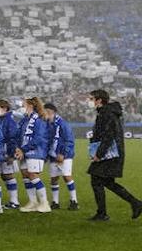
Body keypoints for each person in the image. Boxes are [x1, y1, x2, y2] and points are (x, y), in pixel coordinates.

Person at [86, 89, 142, 222]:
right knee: (105, 181)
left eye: (91, 99)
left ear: (99, 100)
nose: (89, 102)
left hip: (110, 154)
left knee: (97, 179)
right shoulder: (108, 112)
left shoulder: (106, 114)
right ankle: (135, 203)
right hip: (112, 153)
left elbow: (108, 136)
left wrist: (99, 154)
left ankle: (103, 213)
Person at [17, 97, 51, 213]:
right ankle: (33, 202)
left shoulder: (39, 118)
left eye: (23, 105)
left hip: (35, 151)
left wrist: (23, 149)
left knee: (32, 175)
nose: (22, 107)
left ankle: (44, 203)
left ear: (30, 105)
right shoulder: (25, 119)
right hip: (24, 151)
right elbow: (20, 134)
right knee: (25, 175)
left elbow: (38, 138)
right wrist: (18, 148)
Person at [44, 102, 78, 210]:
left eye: (47, 113)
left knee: (67, 177)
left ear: (51, 112)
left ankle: (74, 201)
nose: (45, 115)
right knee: (53, 179)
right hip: (53, 156)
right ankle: (55, 202)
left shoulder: (63, 124)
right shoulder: (48, 125)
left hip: (64, 156)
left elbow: (69, 140)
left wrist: (63, 153)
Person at [0, 99, 21, 209]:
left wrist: (11, 155)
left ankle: (14, 201)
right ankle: (13, 201)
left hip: (6, 152)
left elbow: (12, 138)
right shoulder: (0, 119)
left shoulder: (9, 120)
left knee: (8, 175)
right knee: (5, 175)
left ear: (5, 109)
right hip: (0, 151)